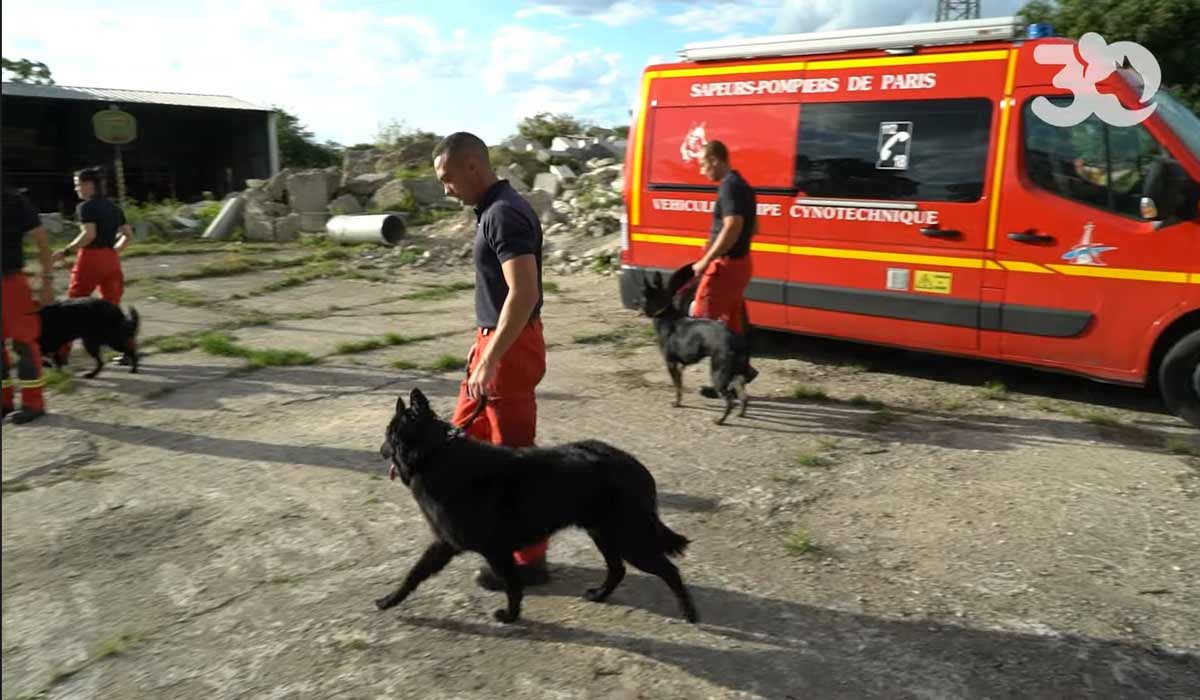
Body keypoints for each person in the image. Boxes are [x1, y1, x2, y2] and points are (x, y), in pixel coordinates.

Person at [432, 132, 550, 590]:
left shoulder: (504, 215)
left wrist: (492, 356)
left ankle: (528, 561)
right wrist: (481, 346)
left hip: (510, 351)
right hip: (495, 344)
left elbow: (524, 294)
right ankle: (476, 531)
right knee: (457, 443)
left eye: (447, 179)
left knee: (513, 459)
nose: (446, 190)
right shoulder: (493, 210)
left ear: (473, 168)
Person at [692, 140, 758, 395]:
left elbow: (733, 226)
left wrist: (708, 257)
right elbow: (754, 228)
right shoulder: (744, 185)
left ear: (714, 160)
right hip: (742, 264)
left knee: (704, 321)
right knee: (732, 325)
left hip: (726, 267)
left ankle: (722, 384)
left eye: (702, 164)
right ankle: (742, 371)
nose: (701, 171)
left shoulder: (728, 187)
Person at [51, 167, 132, 365]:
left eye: (78, 184)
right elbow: (128, 235)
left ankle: (61, 355)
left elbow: (89, 235)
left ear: (89, 185)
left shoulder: (86, 207)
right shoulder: (114, 207)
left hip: (91, 259)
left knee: (72, 308)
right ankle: (128, 352)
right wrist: (114, 251)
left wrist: (66, 251)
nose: (76, 188)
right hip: (111, 260)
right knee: (111, 308)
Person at [2, 188, 55, 423]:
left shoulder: (13, 200)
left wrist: (47, 280)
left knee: (23, 342)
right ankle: (4, 402)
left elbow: (42, 241)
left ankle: (33, 403)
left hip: (11, 281)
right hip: (10, 281)